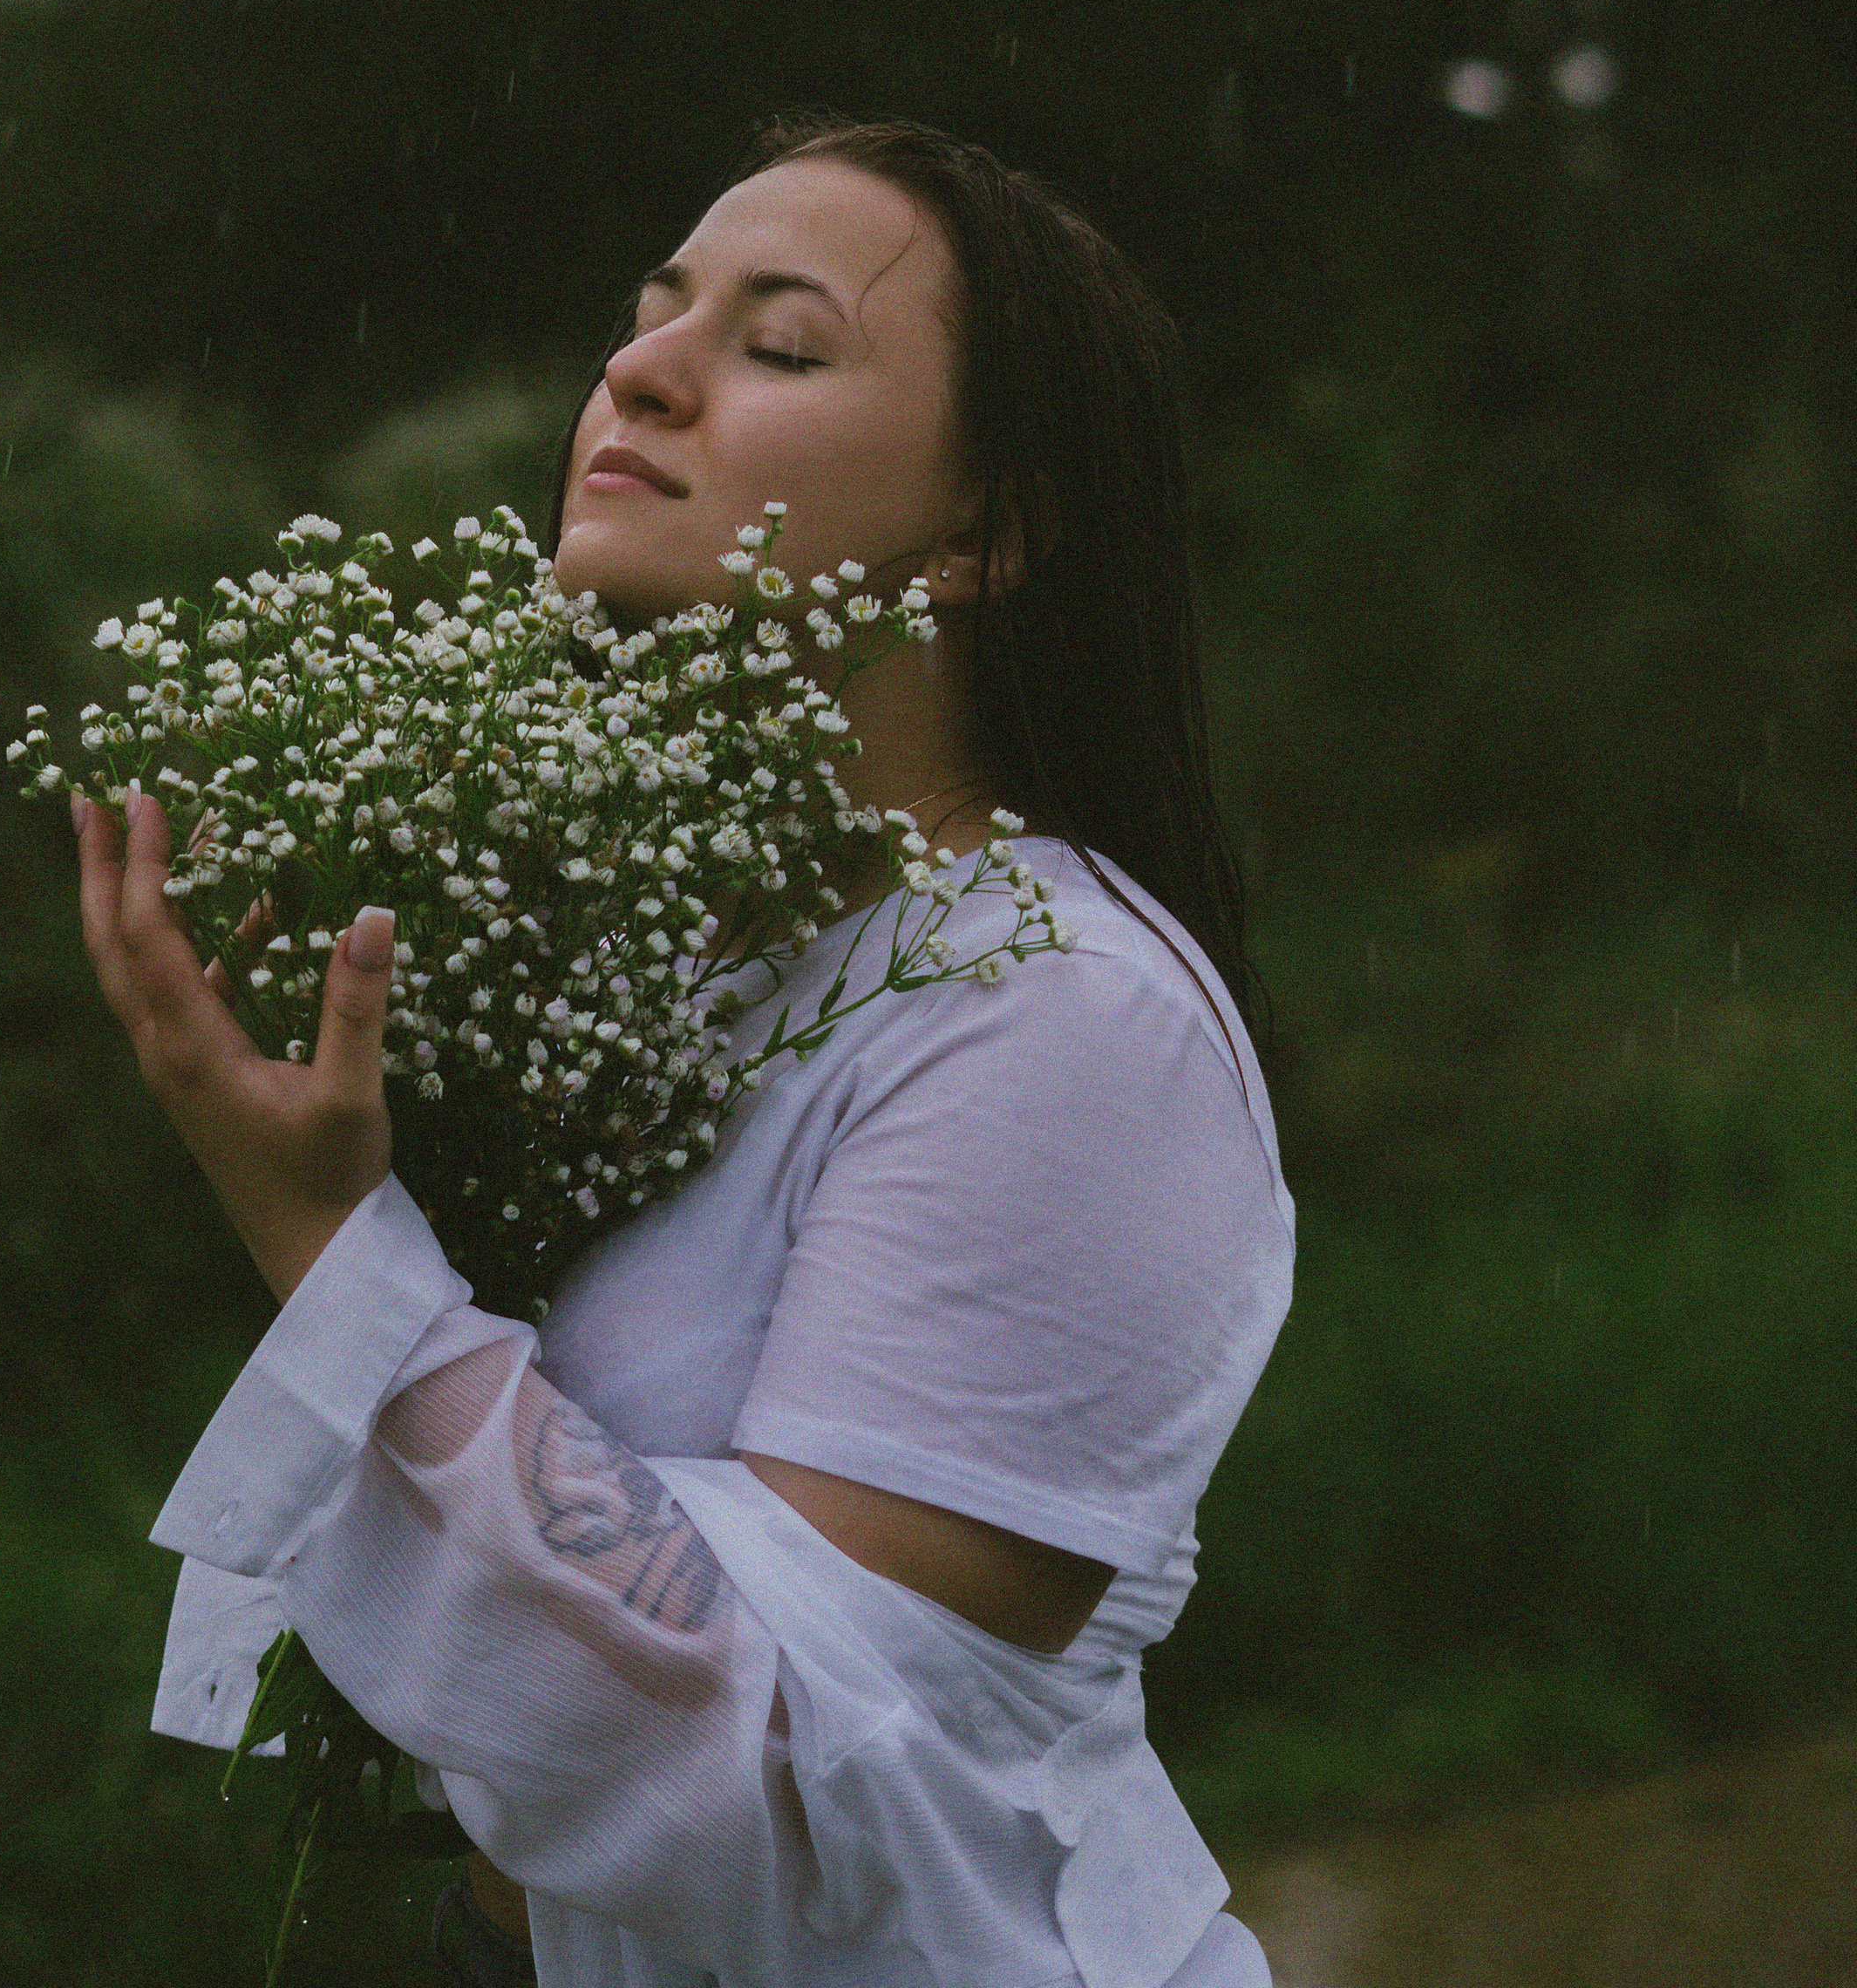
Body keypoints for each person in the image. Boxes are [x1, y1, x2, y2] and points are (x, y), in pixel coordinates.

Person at [78, 112, 1296, 1988]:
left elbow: (780, 1787)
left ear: (992, 527)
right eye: (652, 316)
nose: (638, 370)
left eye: (778, 345)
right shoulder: (661, 957)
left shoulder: (1057, 1017)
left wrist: (329, 1244)